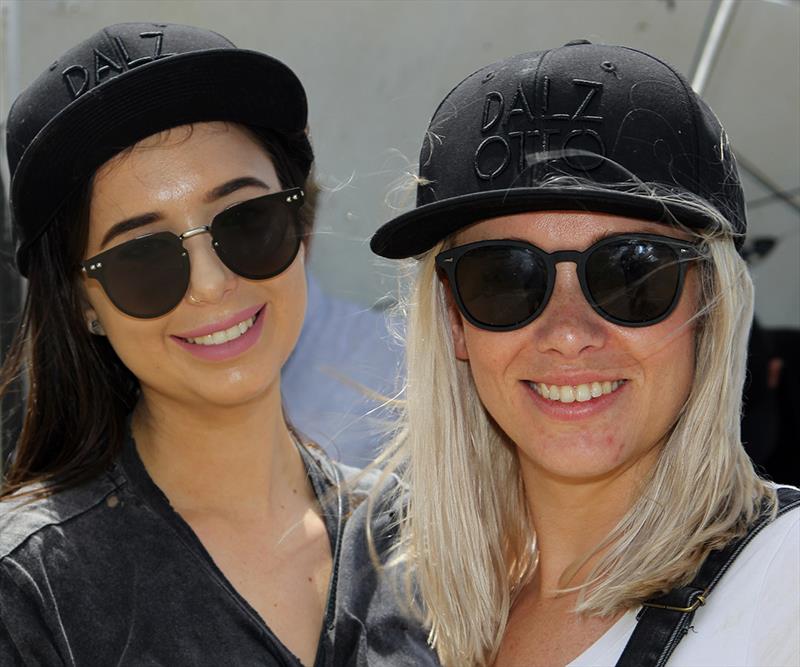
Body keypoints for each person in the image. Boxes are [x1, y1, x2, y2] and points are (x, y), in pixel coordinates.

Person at [0, 22, 434, 666]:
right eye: (142, 257)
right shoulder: (28, 591)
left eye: (246, 221)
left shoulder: (420, 541)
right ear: (83, 304)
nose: (210, 284)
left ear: (301, 229)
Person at [370, 41, 800, 667]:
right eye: (506, 278)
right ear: (455, 322)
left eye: (633, 274)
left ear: (710, 307)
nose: (568, 333)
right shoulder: (396, 606)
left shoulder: (785, 583)